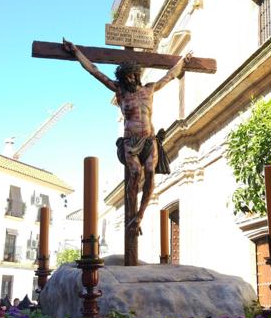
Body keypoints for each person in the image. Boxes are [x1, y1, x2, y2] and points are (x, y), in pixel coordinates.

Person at [62, 38, 192, 235]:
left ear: (137, 75)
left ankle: (138, 216)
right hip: (130, 141)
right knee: (135, 172)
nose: (130, 80)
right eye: (126, 77)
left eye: (132, 76)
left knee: (149, 172)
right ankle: (131, 214)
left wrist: (183, 61)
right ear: (122, 78)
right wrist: (76, 52)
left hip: (149, 139)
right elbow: (94, 71)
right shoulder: (120, 91)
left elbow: (170, 75)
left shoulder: (149, 89)